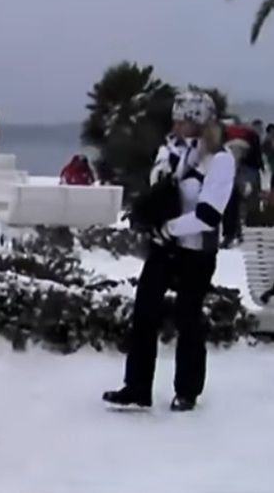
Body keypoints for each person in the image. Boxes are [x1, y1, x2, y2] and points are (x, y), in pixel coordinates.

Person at [103, 89, 235, 412]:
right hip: (164, 248)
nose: (177, 125)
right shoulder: (170, 151)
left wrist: (171, 227)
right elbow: (159, 190)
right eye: (175, 118)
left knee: (188, 318)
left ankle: (187, 391)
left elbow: (208, 215)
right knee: (144, 312)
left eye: (184, 119)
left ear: (200, 122)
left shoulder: (220, 160)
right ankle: (137, 387)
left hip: (196, 251)